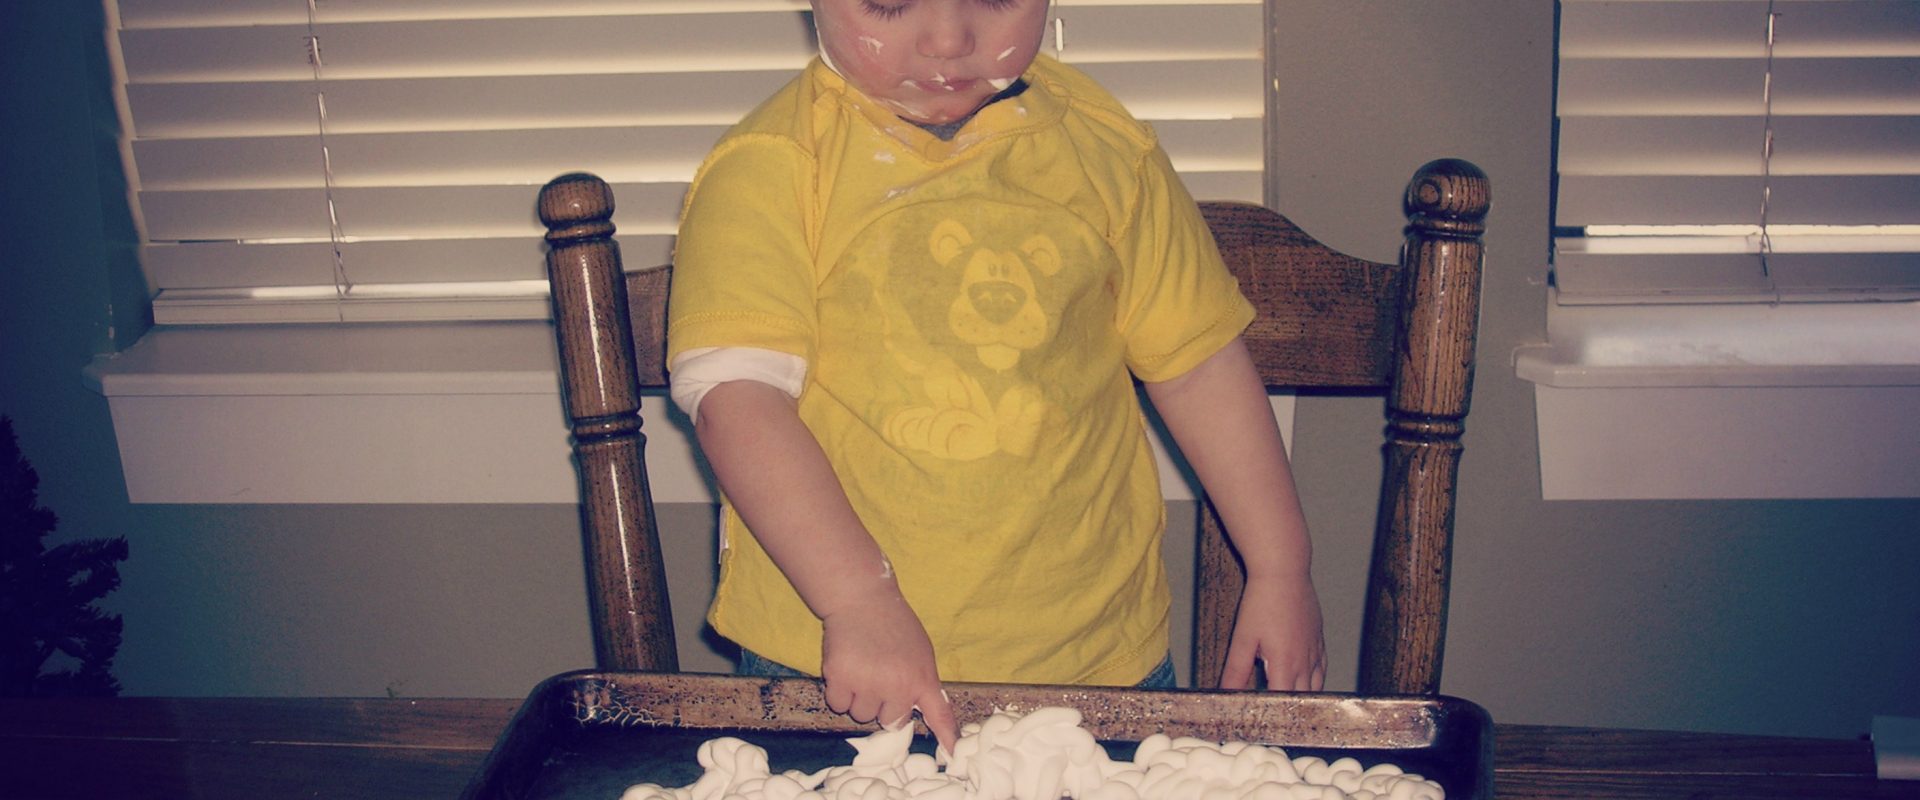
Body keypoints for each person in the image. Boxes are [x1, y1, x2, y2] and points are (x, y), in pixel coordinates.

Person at [666, 0, 1325, 752]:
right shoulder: (772, 165)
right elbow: (738, 404)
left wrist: (1279, 565)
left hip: (1099, 664)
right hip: (837, 663)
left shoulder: (1107, 147)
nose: (949, 36)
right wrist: (857, 599)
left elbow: (1200, 367)